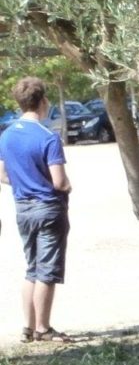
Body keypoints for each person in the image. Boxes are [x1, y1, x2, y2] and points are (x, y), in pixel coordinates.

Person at [0, 77, 73, 342]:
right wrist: (67, 187)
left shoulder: (6, 134)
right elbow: (59, 181)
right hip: (48, 208)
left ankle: (27, 327)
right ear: (42, 102)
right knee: (47, 271)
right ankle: (43, 327)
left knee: (31, 268)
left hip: (22, 208)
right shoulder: (48, 137)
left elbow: (3, 175)